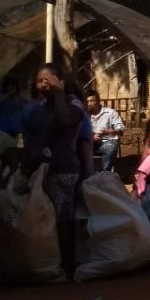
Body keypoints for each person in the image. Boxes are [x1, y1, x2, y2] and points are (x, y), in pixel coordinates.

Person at [21, 63, 87, 271]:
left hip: (63, 170)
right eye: (40, 81)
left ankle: (66, 265)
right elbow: (28, 139)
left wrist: (59, 92)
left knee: (62, 218)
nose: (44, 84)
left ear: (60, 81)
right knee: (40, 218)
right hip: (38, 170)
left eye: (48, 80)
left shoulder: (73, 104)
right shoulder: (35, 109)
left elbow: (66, 120)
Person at [85, 90, 125, 172]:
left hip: (107, 140)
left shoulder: (110, 113)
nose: (89, 104)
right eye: (87, 101)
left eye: (92, 101)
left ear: (98, 101)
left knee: (109, 149)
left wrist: (110, 132)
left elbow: (120, 128)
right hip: (90, 141)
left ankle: (105, 173)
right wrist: (92, 136)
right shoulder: (85, 114)